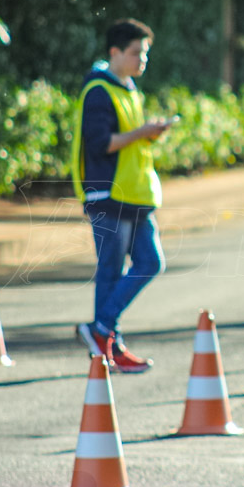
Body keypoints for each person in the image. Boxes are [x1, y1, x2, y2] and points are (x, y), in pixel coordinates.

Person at [72, 19, 173, 374]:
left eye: (144, 53)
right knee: (112, 271)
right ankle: (105, 339)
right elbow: (102, 144)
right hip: (108, 194)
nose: (141, 59)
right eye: (135, 52)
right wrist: (142, 132)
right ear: (114, 52)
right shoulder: (98, 90)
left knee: (150, 261)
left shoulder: (127, 87)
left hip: (135, 193)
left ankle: (101, 332)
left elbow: (124, 138)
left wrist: (146, 134)